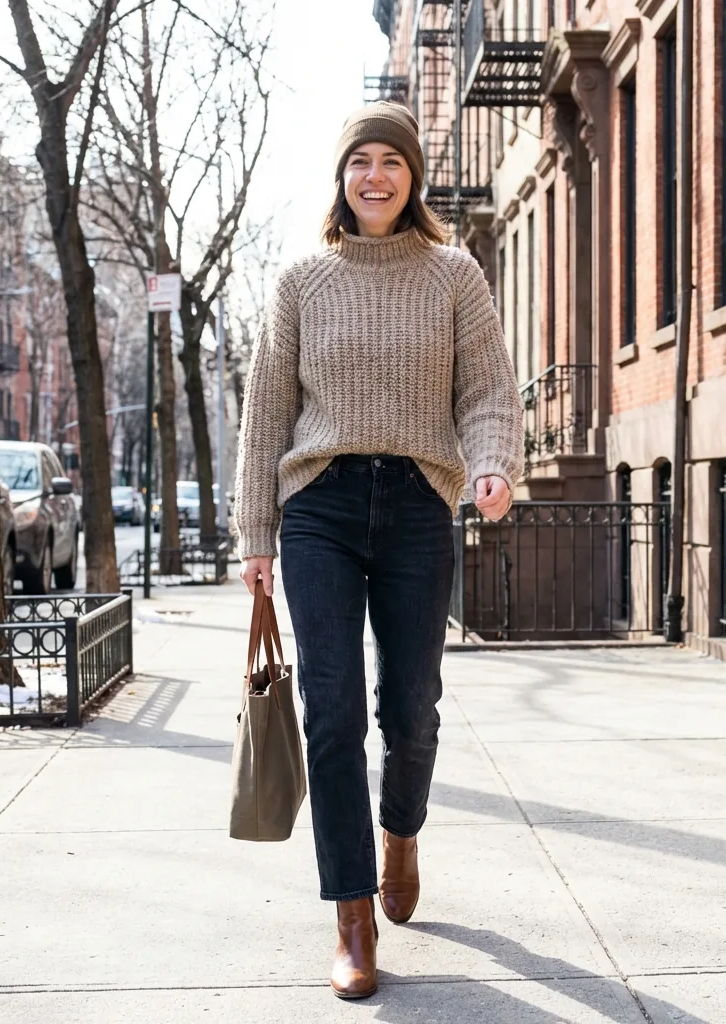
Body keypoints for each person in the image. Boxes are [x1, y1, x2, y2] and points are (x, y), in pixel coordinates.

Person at [235, 102, 523, 999]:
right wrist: (256, 537)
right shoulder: (300, 281)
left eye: (391, 161)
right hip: (319, 504)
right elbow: (264, 417)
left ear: (413, 176)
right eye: (360, 160)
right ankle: (352, 918)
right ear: (341, 176)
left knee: (412, 708)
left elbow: (486, 389)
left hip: (415, 506)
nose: (375, 176)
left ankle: (401, 831)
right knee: (331, 711)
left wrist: (492, 466)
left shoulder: (453, 275)